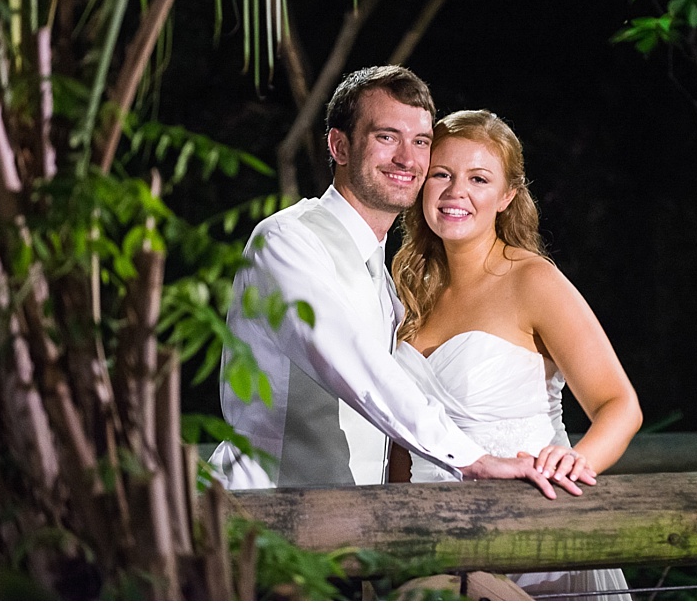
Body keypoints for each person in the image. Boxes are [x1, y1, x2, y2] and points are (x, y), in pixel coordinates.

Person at [208, 65, 585, 499]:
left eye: (421, 142)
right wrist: (471, 459)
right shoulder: (288, 240)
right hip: (262, 515)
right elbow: (350, 359)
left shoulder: (386, 282)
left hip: (354, 532)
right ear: (339, 146)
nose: (408, 159)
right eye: (387, 136)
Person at [391, 109, 643, 600]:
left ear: (507, 196)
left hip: (531, 535)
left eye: (478, 178)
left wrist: (573, 462)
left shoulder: (533, 280)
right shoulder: (406, 288)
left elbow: (620, 405)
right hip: (427, 544)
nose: (454, 191)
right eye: (441, 174)